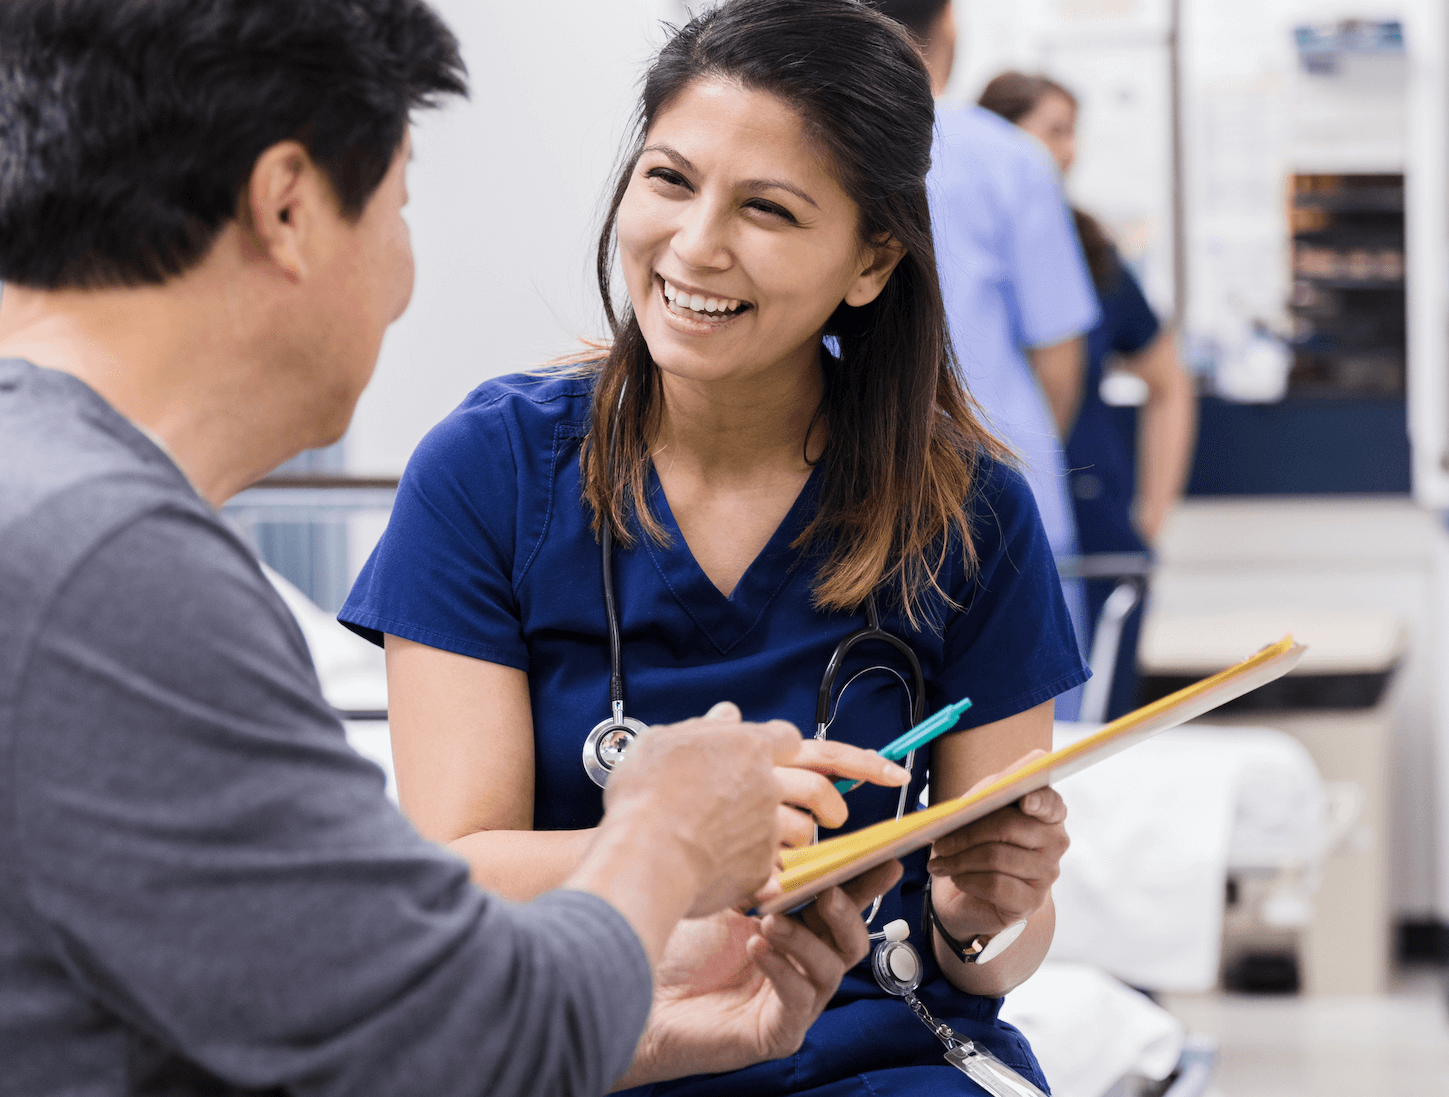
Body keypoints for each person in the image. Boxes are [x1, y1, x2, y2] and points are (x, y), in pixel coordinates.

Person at [0, 2, 892, 1094]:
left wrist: (672, 1023)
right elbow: (453, 1046)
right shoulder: (109, 574)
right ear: (287, 208)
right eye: (399, 204)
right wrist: (668, 830)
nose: (405, 279)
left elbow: (325, 1009)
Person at [337, 1, 1081, 1093]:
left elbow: (991, 957)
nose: (694, 245)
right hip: (591, 1048)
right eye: (669, 180)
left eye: (766, 208)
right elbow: (459, 874)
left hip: (871, 1060)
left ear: (872, 258)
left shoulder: (970, 510)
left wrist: (981, 911)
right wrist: (693, 840)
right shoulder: (491, 473)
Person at [873, 1, 1103, 708]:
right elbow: (1059, 360)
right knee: (1038, 753)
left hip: (861, 498)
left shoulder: (819, 149)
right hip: (1006, 497)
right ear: (949, 24)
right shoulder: (1011, 159)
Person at [979, 71, 1197, 719]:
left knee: (1098, 728)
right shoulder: (953, 247)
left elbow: (1169, 381)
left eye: (1073, 132)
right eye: (1053, 131)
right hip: (993, 523)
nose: (1068, 151)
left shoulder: (1091, 251)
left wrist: (1150, 515)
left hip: (1093, 525)